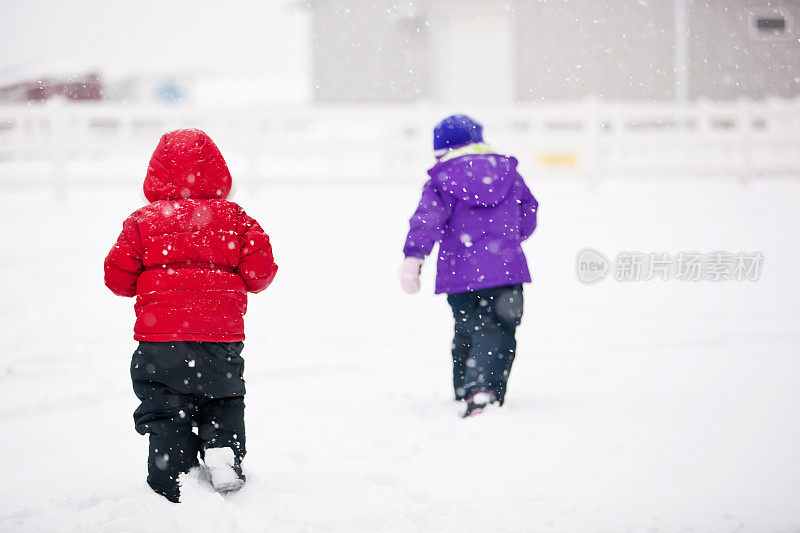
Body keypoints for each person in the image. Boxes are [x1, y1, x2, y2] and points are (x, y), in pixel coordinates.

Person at [104, 129, 278, 502]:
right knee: (222, 397)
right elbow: (261, 272)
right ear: (219, 173)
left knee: (165, 403)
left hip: (160, 339)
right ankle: (222, 453)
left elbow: (117, 278)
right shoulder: (235, 219)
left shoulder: (142, 222)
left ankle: (171, 472)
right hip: (220, 336)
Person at [400, 114, 538, 418]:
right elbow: (528, 214)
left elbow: (426, 221)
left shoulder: (440, 180)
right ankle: (483, 390)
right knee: (497, 331)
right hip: (505, 271)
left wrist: (414, 257)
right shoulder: (508, 174)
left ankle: (465, 386)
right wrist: (509, 238)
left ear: (443, 150)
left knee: (468, 327)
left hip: (460, 275)